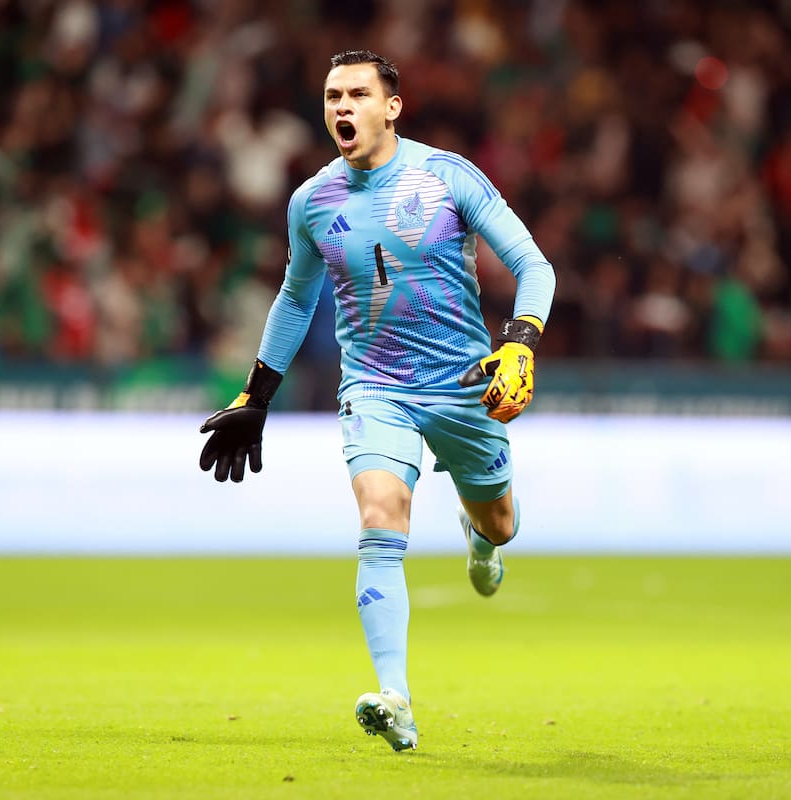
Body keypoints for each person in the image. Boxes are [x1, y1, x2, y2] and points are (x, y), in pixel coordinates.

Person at [199, 50, 555, 752]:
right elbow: (297, 297)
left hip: (462, 384)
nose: (342, 107)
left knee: (504, 521)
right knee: (380, 515)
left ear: (392, 107)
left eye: (359, 93)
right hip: (376, 387)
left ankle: (481, 538)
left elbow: (532, 265)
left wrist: (519, 344)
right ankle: (395, 697)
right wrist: (257, 394)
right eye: (332, 95)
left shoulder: (447, 176)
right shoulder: (312, 202)